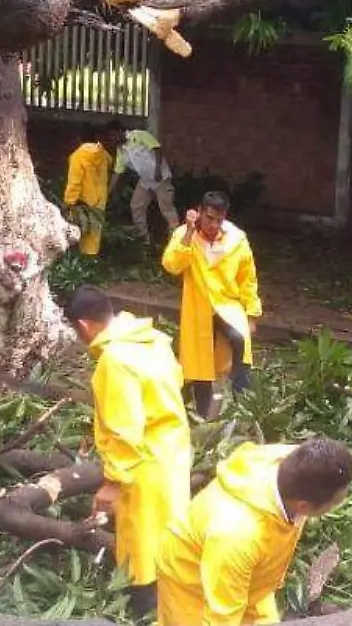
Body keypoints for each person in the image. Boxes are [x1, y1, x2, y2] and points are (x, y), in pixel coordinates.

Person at [66, 285, 193, 619]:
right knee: (170, 530)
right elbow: (175, 381)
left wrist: (113, 482)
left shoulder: (116, 360)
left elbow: (125, 427)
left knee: (141, 543)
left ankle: (145, 610)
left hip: (144, 462)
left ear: (83, 325)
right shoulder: (152, 340)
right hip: (174, 450)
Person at [155, 438, 352, 626]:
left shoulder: (290, 463)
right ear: (303, 506)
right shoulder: (237, 536)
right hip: (190, 579)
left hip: (249, 576)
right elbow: (222, 616)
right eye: (336, 501)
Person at [161, 191, 261, 419]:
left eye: (219, 219)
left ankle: (242, 404)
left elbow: (248, 278)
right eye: (209, 218)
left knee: (240, 341)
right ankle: (203, 415)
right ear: (199, 212)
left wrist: (252, 313)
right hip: (199, 307)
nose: (214, 225)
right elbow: (171, 265)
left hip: (228, 305)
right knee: (200, 362)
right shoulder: (185, 235)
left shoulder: (237, 238)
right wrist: (188, 231)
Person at [64, 120, 125, 256]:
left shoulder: (78, 156)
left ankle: (81, 258)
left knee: (80, 230)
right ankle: (92, 257)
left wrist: (69, 202)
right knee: (94, 232)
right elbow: (110, 163)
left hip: (82, 201)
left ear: (79, 138)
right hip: (100, 200)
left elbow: (74, 182)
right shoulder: (102, 153)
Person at [111, 128, 179, 246]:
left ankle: (176, 242)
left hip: (160, 178)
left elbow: (157, 149)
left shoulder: (139, 135)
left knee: (167, 209)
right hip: (145, 181)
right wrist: (109, 192)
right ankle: (143, 240)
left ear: (119, 132)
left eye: (112, 136)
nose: (112, 140)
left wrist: (158, 169)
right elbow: (118, 173)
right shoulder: (121, 151)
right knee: (136, 206)